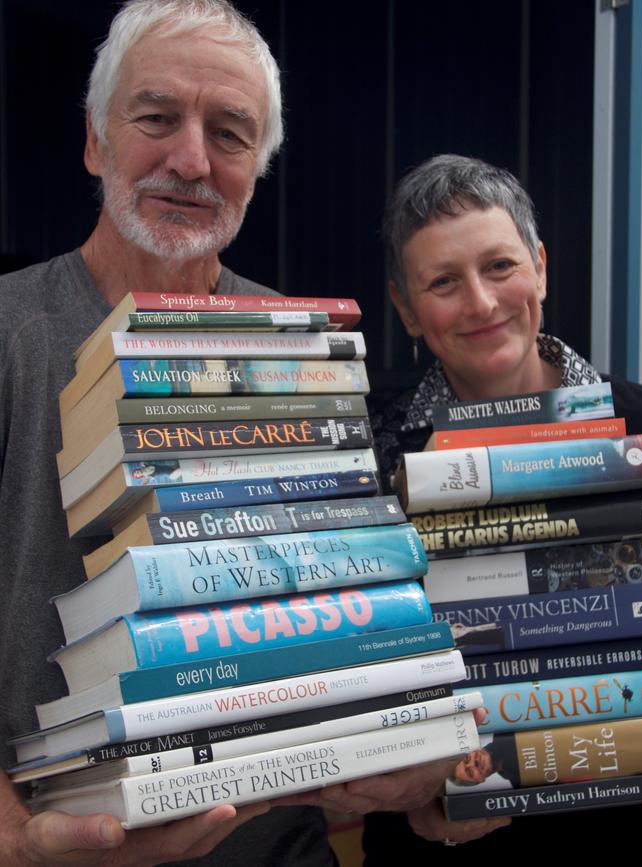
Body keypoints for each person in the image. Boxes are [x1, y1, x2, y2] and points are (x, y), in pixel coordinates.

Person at [0, 2, 327, 865]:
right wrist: (12, 838)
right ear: (94, 142)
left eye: (229, 132)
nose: (190, 160)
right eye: (155, 118)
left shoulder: (303, 347)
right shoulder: (9, 335)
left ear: (258, 166)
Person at [362, 153, 642, 861]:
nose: (483, 304)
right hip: (447, 841)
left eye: (499, 266)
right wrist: (415, 797)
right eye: (443, 282)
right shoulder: (371, 464)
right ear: (405, 307)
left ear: (541, 267)